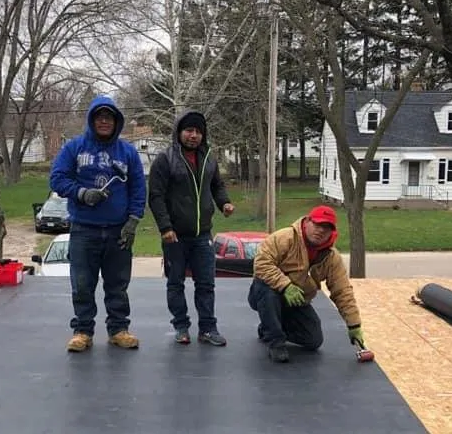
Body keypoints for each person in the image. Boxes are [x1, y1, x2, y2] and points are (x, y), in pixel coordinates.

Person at [50, 95, 146, 352]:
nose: (104, 121)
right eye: (99, 117)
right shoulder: (74, 148)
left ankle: (118, 329)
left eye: (109, 117)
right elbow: (57, 179)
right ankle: (83, 331)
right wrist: (81, 193)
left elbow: (138, 188)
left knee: (118, 285)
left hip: (118, 231)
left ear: (117, 122)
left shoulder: (128, 152)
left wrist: (133, 221)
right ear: (92, 120)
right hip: (84, 230)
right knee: (82, 285)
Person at [148, 110, 234, 346]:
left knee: (206, 284)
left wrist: (224, 203)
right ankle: (181, 326)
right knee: (175, 283)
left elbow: (217, 186)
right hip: (174, 236)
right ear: (179, 132)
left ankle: (208, 328)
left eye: (198, 131)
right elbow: (156, 196)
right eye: (188, 130)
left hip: (202, 235)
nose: (193, 135)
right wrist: (165, 227)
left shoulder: (209, 159)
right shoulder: (165, 160)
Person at [248, 205, 365, 363]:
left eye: (326, 227)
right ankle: (275, 341)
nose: (321, 230)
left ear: (332, 231)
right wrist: (285, 285)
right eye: (317, 224)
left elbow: (342, 291)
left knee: (313, 340)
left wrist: (354, 325)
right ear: (307, 221)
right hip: (266, 293)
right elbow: (261, 264)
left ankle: (268, 327)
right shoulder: (284, 238)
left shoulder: (331, 257)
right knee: (267, 290)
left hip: (296, 300)